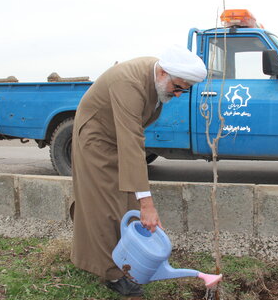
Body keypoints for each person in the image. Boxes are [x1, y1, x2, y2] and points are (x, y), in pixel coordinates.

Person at [70, 45, 207, 297]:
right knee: (106, 205)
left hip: (117, 135)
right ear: (163, 73)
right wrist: (148, 204)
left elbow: (132, 138)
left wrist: (141, 198)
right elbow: (132, 141)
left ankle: (120, 258)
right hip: (97, 138)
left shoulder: (157, 79)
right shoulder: (129, 82)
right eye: (177, 87)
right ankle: (112, 274)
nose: (178, 94)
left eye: (184, 90)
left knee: (125, 202)